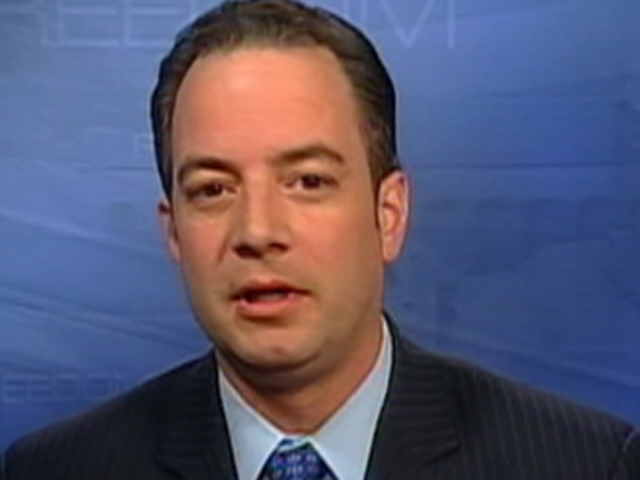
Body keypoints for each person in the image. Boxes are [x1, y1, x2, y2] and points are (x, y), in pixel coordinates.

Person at [2, 0, 639, 479]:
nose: (257, 232)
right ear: (173, 232)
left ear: (389, 215)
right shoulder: (55, 469)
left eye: (308, 182)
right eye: (213, 189)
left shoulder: (583, 463)